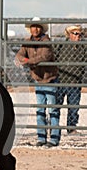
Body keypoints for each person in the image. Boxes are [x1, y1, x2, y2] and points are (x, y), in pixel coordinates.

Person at [15, 17, 59, 147]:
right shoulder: (27, 42)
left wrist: (27, 61)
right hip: (38, 79)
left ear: (41, 29)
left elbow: (44, 56)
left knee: (52, 110)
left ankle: (54, 139)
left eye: (37, 27)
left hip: (49, 79)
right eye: (33, 27)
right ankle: (42, 138)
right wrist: (23, 59)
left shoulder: (46, 41)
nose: (35, 29)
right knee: (41, 109)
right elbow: (19, 55)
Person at [56, 24, 87, 135]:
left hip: (75, 81)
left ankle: (71, 128)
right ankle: (54, 127)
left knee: (74, 107)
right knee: (56, 106)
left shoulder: (83, 47)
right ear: (69, 34)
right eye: (75, 33)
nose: (78, 36)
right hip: (60, 80)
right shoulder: (61, 45)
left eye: (80, 34)